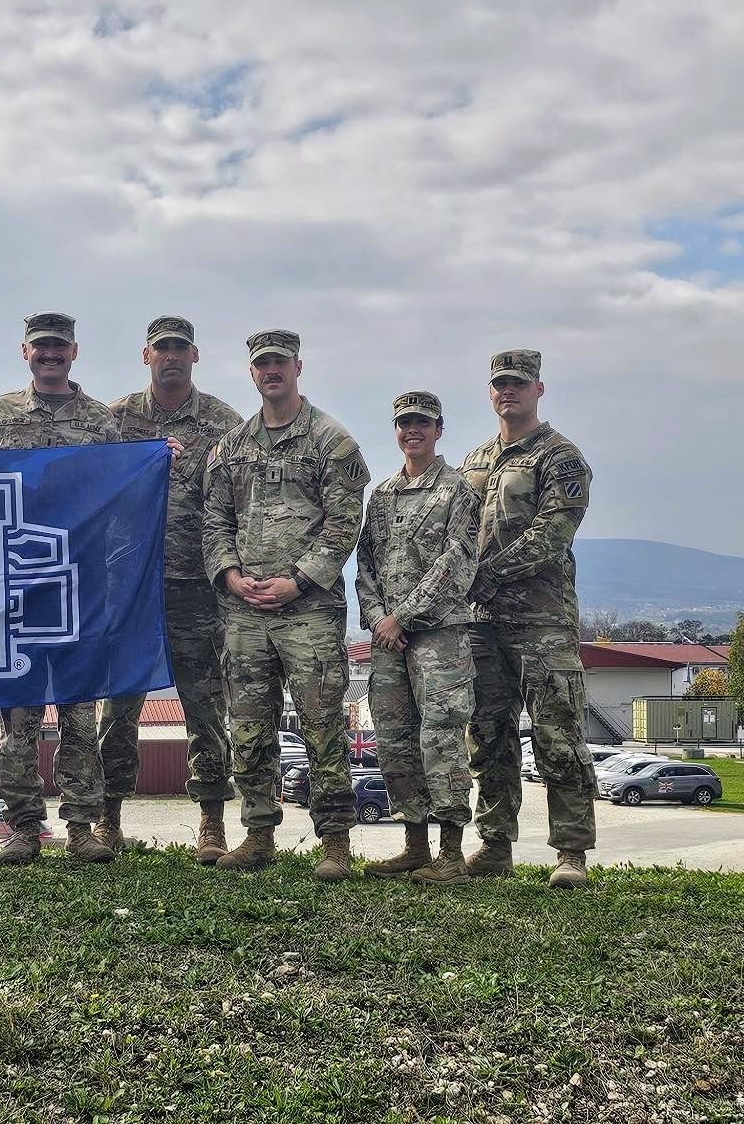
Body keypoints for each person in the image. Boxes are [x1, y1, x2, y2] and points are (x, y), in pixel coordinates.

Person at [202, 329, 368, 880]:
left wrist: (300, 580)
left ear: (299, 367)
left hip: (308, 611)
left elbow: (345, 523)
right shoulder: (231, 446)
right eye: (262, 364)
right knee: (248, 726)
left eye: (280, 362)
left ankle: (335, 842)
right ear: (252, 373)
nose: (271, 370)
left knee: (322, 724)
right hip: (245, 609)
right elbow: (215, 520)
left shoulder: (332, 442)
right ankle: (258, 833)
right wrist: (228, 575)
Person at [0, 312, 119, 865]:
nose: (50, 354)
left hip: (79, 585)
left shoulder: (102, 422)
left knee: (81, 716)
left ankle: (82, 827)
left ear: (74, 352)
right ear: (25, 351)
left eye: (59, 347)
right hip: (17, 587)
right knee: (20, 719)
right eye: (41, 347)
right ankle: (23, 829)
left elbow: (124, 487)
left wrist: (157, 462)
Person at [98, 316, 243, 860]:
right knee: (118, 709)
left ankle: (211, 819)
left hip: (197, 587)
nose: (172, 357)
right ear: (147, 356)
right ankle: (110, 815)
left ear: (195, 356)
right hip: (130, 589)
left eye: (181, 348)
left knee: (205, 707)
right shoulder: (116, 421)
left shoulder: (223, 424)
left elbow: (235, 503)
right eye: (163, 348)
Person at [461, 349, 596, 889]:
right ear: (490, 392)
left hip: (542, 621)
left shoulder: (561, 458)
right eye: (499, 384)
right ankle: (495, 844)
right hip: (480, 621)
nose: (507, 392)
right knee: (487, 735)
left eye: (518, 383)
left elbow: (552, 533)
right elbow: (453, 531)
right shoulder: (474, 461)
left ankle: (571, 853)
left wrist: (485, 574)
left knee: (556, 733)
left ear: (539, 389)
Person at [355, 391, 481, 885]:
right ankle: (414, 845)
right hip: (388, 639)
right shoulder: (382, 495)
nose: (413, 431)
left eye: (422, 423)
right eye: (404, 423)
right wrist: (379, 616)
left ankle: (451, 853)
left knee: (441, 739)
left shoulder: (458, 492)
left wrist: (403, 618)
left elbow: (458, 564)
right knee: (394, 740)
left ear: (439, 429)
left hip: (438, 638)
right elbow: (365, 563)